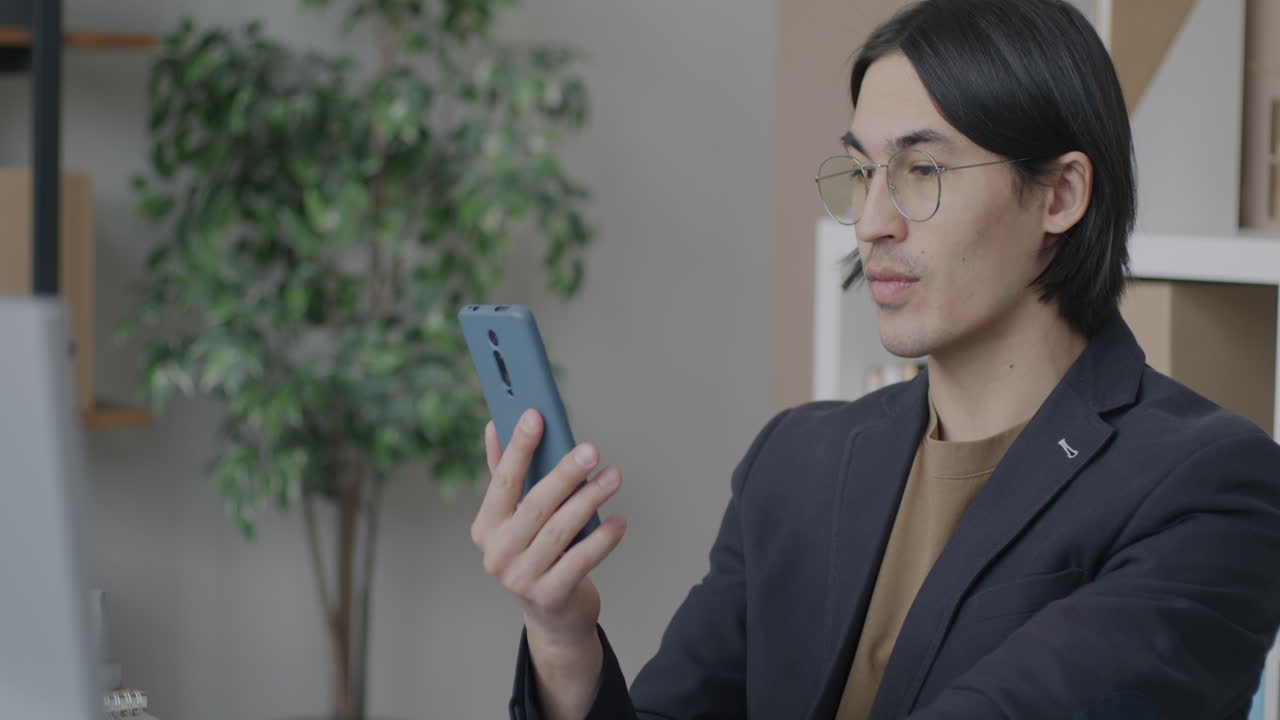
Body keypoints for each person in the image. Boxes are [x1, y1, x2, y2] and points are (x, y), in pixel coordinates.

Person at [469, 0, 1280, 718]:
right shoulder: (796, 463)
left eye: (921, 171)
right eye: (862, 172)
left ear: (1060, 195)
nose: (871, 221)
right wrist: (563, 635)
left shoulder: (1210, 488)